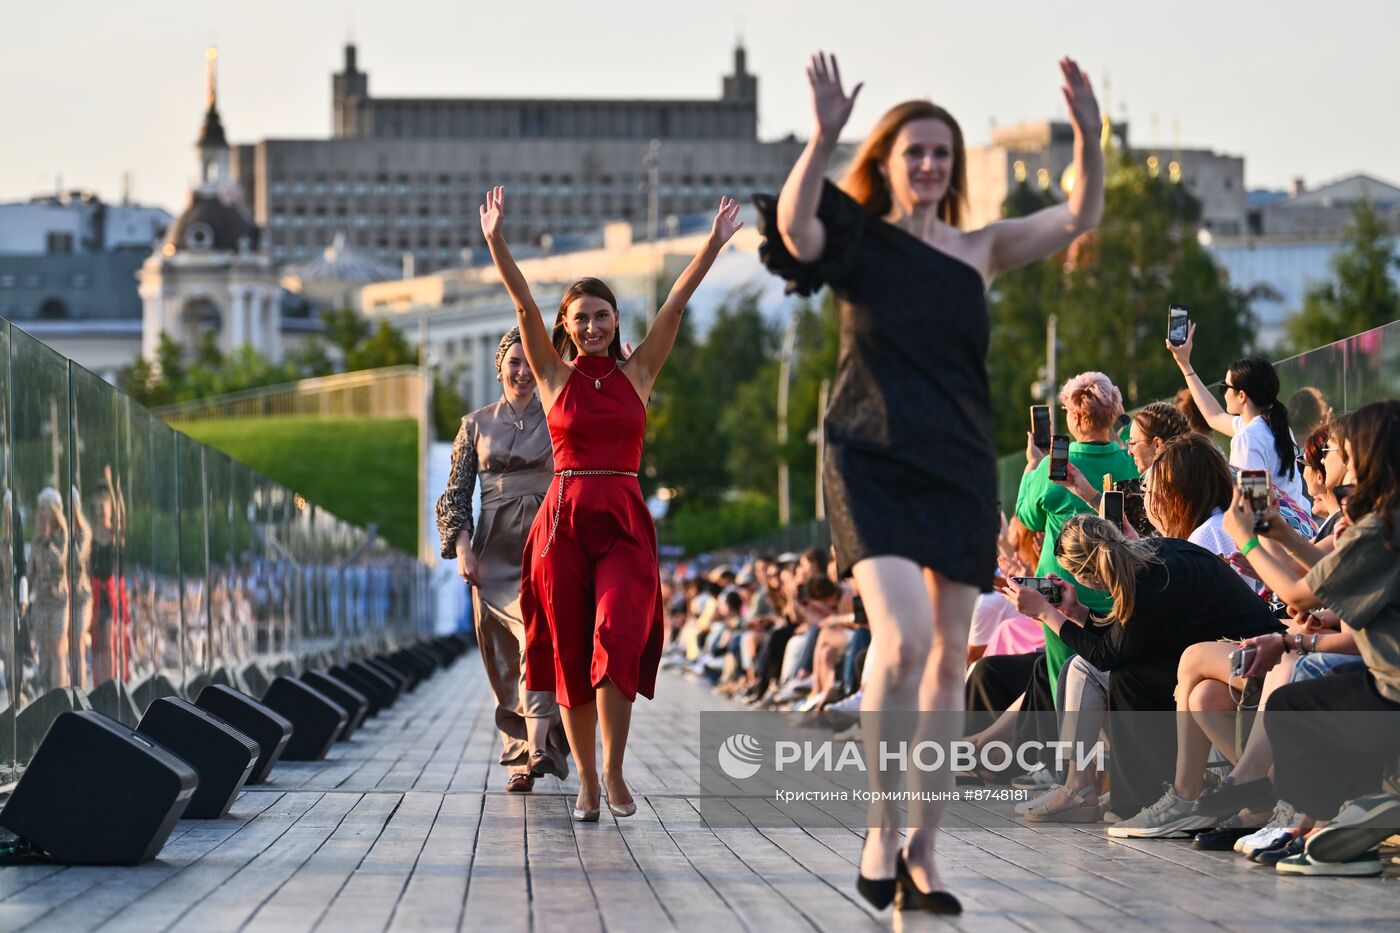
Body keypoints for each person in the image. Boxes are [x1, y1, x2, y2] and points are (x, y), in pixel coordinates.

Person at [757, 51, 1103, 913]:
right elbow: (795, 226)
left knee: (950, 661)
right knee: (904, 643)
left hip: (952, 458)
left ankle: (925, 850)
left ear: (954, 167)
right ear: (887, 160)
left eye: (941, 152)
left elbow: (1079, 213)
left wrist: (1089, 135)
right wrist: (824, 135)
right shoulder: (858, 239)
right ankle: (879, 825)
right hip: (866, 454)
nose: (928, 164)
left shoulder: (979, 248)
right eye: (913, 150)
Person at [480, 185, 743, 822]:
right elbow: (522, 306)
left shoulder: (639, 373)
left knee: (616, 635)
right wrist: (495, 240)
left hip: (623, 518)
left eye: (603, 315)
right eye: (581, 318)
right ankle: (589, 785)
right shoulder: (551, 374)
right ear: (566, 328)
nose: (592, 325)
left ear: (616, 320)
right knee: (569, 653)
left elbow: (677, 304)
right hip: (563, 522)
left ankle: (616, 770)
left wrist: (713, 242)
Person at [1224, 399, 1400, 875]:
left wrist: (1246, 538)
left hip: (1393, 692)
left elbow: (1298, 594)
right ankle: (1336, 820)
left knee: (1292, 709)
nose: (1324, 460)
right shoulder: (1387, 520)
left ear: (1367, 456)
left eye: (1340, 449)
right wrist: (1278, 533)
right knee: (1319, 702)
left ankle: (1334, 827)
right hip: (1385, 684)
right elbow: (1327, 585)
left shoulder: (1380, 527)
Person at [1014, 514, 1281, 825]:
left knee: (1124, 677)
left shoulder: (1151, 579)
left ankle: (1124, 794)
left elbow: (1109, 655)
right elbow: (1125, 639)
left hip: (1244, 661)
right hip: (1222, 655)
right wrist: (1074, 612)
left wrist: (1048, 614)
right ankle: (1078, 785)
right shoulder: (1153, 560)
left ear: (1086, 575)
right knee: (1081, 666)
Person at [435, 327, 570, 793]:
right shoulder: (473, 424)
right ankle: (523, 749)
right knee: (501, 657)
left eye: (531, 362)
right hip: (492, 552)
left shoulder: (559, 414)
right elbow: (455, 493)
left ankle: (536, 749)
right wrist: (463, 550)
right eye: (514, 361)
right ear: (499, 367)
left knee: (538, 641)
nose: (523, 371)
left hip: (546, 542)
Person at [1016, 371, 1138, 702]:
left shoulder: (1053, 468)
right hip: (1119, 588)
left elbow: (1027, 517)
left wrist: (1032, 466)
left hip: (1061, 588)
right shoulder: (1132, 460)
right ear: (1113, 412)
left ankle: (1074, 752)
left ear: (1073, 416)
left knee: (1065, 680)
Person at [1168, 328, 1307, 507]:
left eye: (1225, 387)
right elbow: (1214, 416)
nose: (1223, 392)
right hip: (1296, 527)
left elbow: (1254, 506)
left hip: (1274, 531)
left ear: (1241, 395)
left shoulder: (1248, 438)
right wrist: (1185, 365)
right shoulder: (1275, 426)